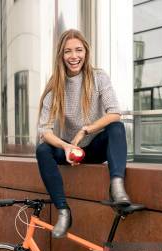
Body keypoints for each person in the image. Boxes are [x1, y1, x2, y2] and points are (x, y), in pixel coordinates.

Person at [36, 29, 130, 239]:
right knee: (42, 150)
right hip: (71, 151)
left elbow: (115, 113)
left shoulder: (98, 77)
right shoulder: (55, 86)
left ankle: (117, 187)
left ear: (86, 52)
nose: (74, 56)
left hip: (95, 147)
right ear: (61, 55)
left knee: (117, 127)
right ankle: (63, 211)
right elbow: (44, 130)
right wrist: (66, 146)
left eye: (78, 50)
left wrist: (86, 129)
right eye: (68, 51)